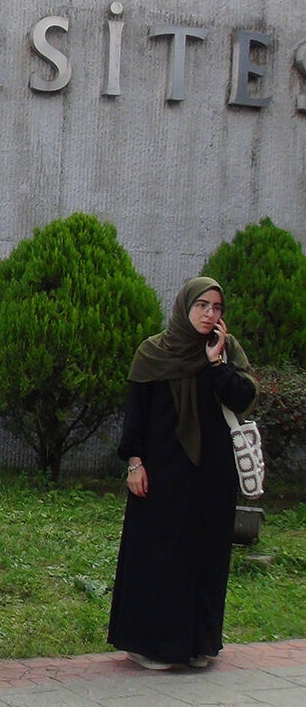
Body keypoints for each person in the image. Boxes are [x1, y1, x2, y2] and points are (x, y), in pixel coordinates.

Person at [107, 276, 257, 671]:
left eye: (217, 307)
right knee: (158, 556)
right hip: (163, 472)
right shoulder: (154, 352)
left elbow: (243, 398)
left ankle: (197, 645)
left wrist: (216, 363)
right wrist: (134, 463)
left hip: (212, 475)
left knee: (207, 556)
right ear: (184, 307)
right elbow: (137, 415)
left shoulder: (226, 349)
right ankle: (150, 646)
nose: (209, 314)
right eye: (202, 305)